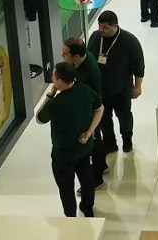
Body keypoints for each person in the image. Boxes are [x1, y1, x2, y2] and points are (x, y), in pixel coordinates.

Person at [36, 62, 104, 218]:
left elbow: (40, 118)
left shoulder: (56, 103)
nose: (52, 79)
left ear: (60, 81)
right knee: (87, 179)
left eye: (53, 77)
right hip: (84, 148)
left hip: (64, 154)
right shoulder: (86, 91)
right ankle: (87, 208)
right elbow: (99, 109)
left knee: (66, 188)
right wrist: (89, 132)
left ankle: (71, 217)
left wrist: (51, 94)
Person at [86, 11, 145, 156]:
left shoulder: (129, 41)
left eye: (105, 27)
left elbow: (139, 65)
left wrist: (137, 86)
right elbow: (88, 60)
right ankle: (110, 144)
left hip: (122, 89)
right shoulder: (95, 37)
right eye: (100, 26)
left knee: (125, 118)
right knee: (104, 119)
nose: (101, 30)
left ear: (115, 26)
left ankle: (127, 141)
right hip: (101, 91)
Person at [61, 37, 107, 190]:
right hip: (90, 109)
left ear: (75, 55)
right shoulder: (84, 57)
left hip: (90, 113)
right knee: (96, 140)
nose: (62, 56)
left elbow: (93, 99)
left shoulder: (88, 75)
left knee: (94, 142)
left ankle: (97, 177)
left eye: (65, 54)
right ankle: (102, 165)